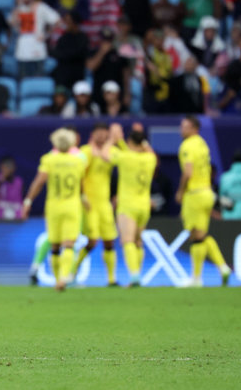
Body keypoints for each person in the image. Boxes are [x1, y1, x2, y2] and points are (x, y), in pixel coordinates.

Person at [22, 127, 88, 291]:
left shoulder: (49, 159)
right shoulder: (79, 160)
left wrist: (28, 202)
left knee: (55, 245)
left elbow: (39, 183)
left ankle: (57, 278)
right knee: (69, 245)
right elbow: (81, 185)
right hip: (72, 206)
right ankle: (64, 278)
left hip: (54, 207)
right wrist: (84, 198)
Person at [94, 123, 156, 287]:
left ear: (130, 143)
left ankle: (134, 276)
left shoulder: (126, 158)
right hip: (144, 205)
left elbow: (104, 154)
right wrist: (141, 141)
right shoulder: (150, 159)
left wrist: (112, 140)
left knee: (127, 241)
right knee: (138, 241)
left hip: (128, 206)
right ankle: (138, 274)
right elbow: (148, 151)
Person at [176, 116, 231, 287]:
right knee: (201, 234)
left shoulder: (187, 145)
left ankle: (197, 278)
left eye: (185, 126)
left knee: (196, 236)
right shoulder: (202, 143)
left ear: (194, 128)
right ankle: (222, 268)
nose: (181, 129)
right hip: (207, 192)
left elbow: (188, 172)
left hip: (195, 194)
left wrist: (180, 191)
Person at [72, 122, 118, 286]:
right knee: (92, 241)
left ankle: (111, 279)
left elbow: (125, 168)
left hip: (105, 204)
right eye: (98, 132)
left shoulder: (111, 152)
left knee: (109, 241)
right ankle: (73, 269)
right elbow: (79, 175)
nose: (101, 135)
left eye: (104, 132)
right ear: (92, 134)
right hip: (89, 204)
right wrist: (83, 196)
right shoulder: (85, 152)